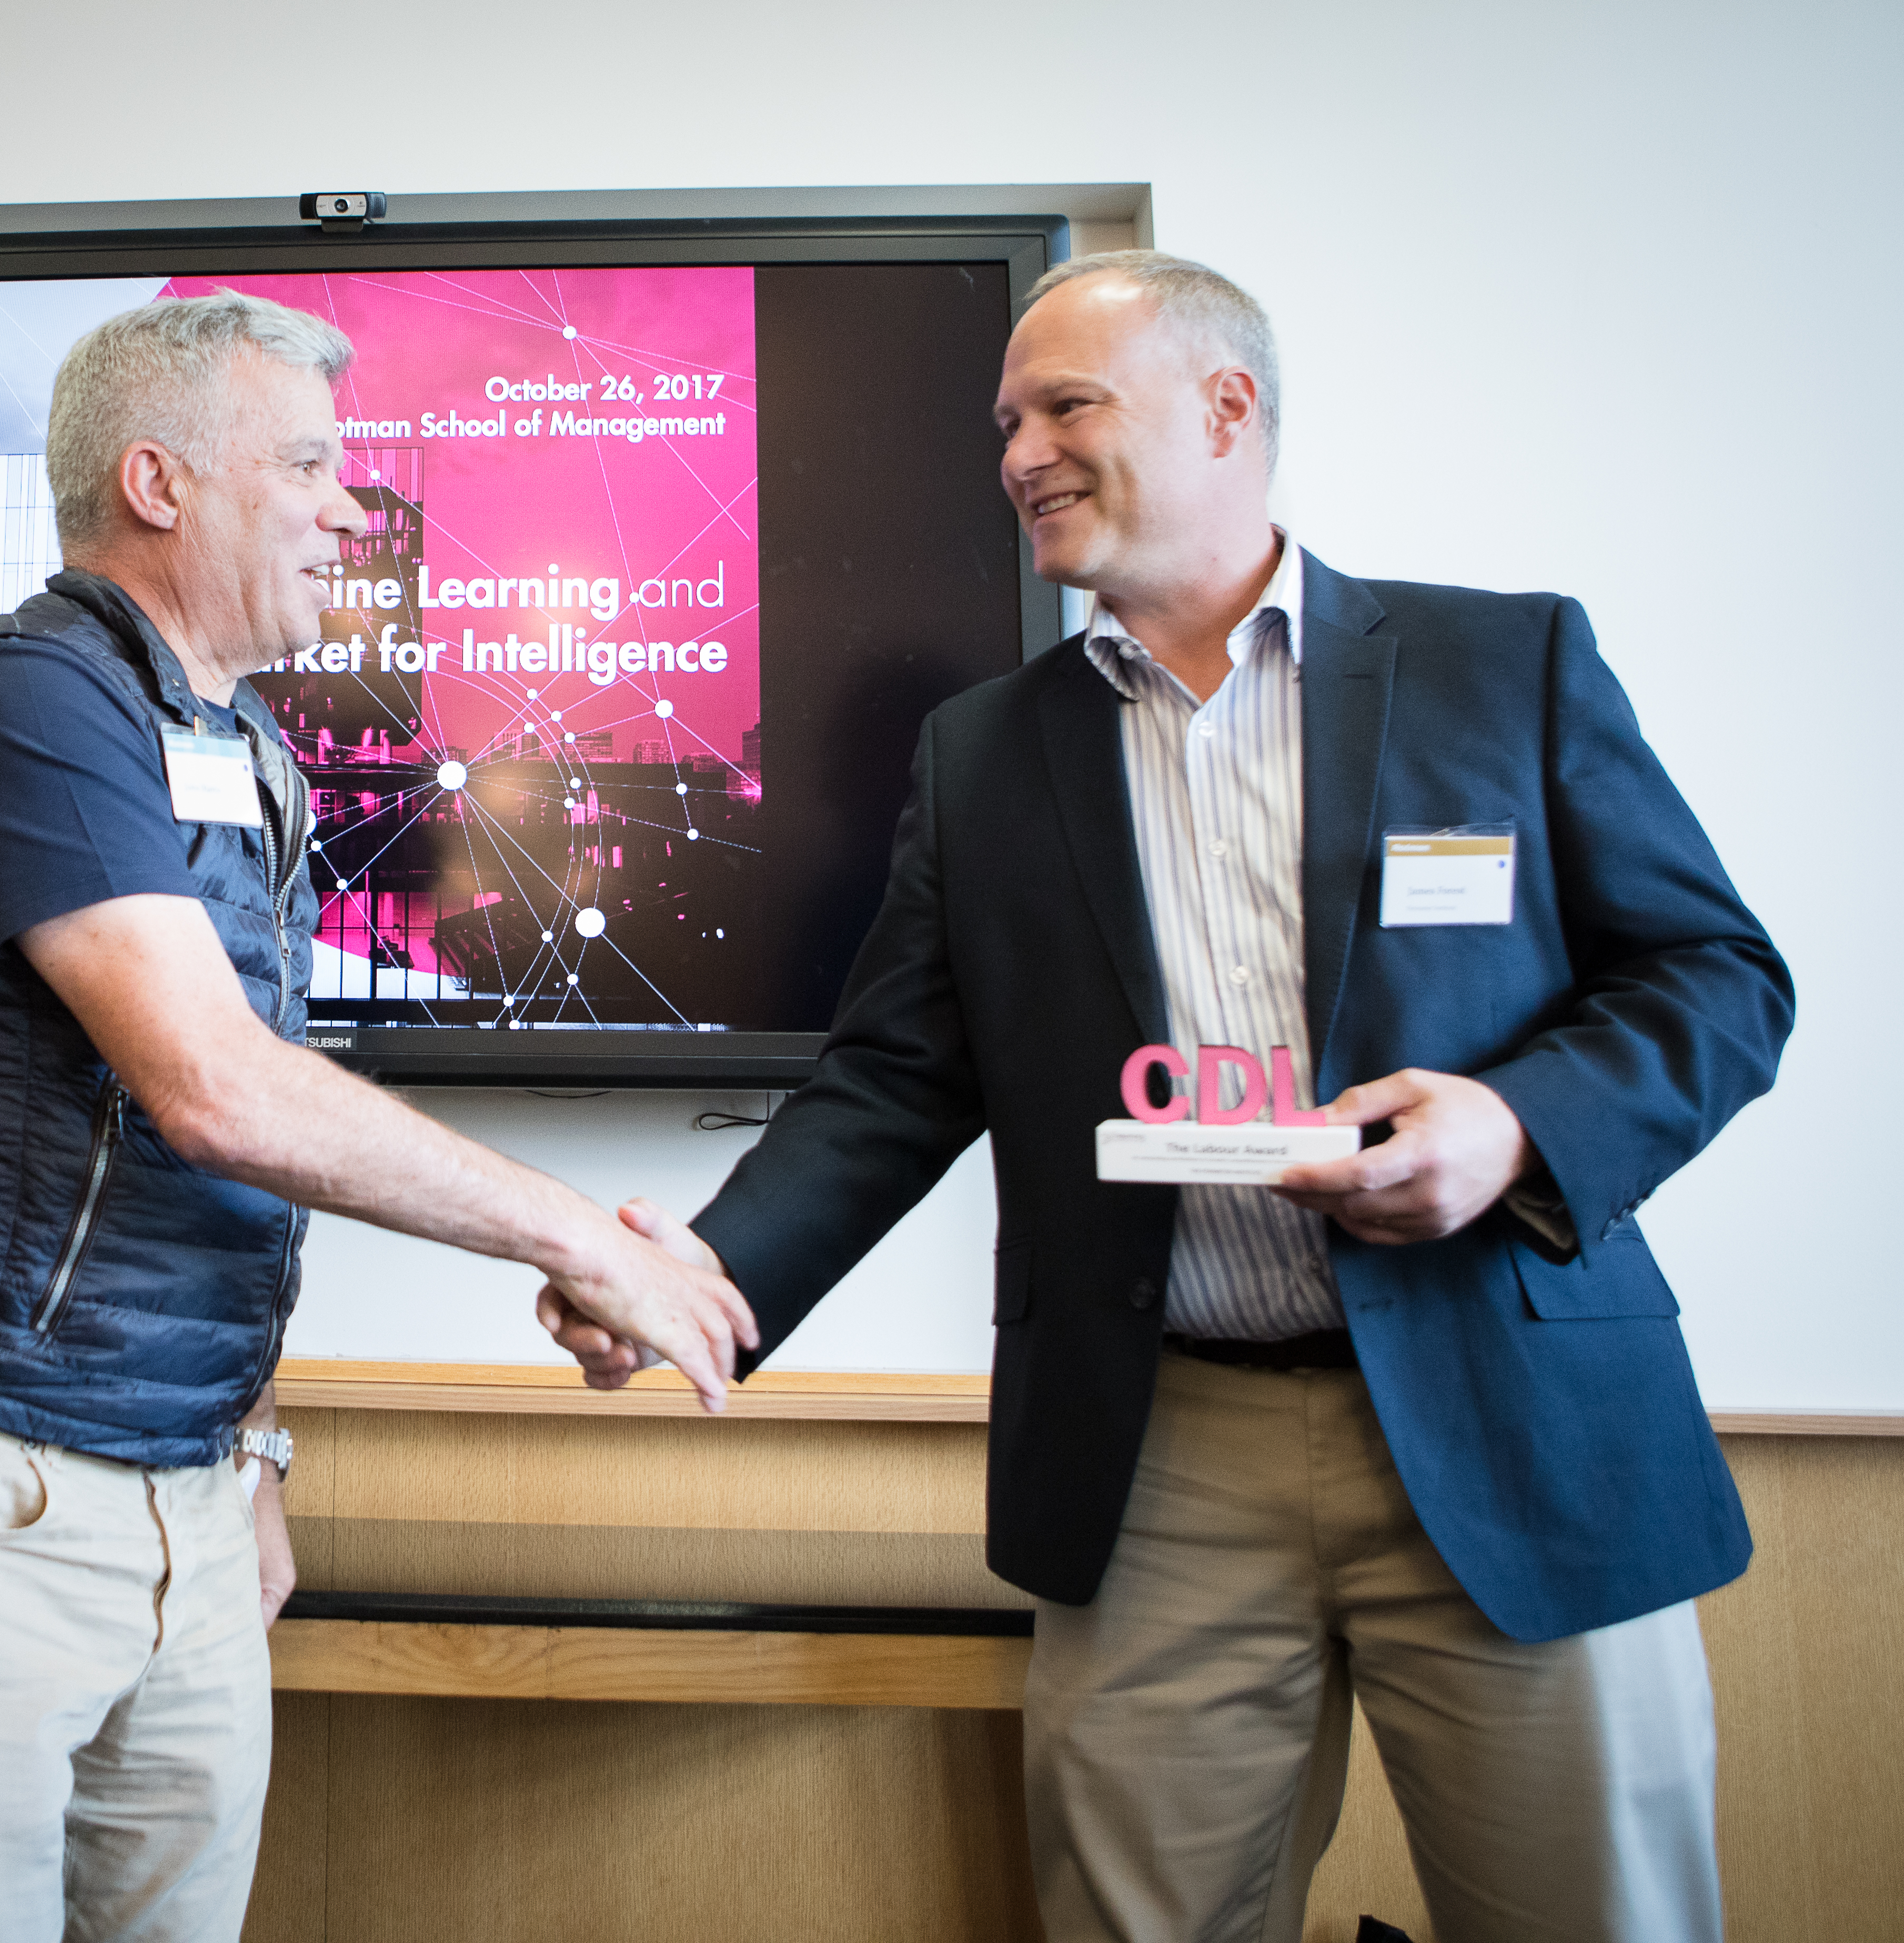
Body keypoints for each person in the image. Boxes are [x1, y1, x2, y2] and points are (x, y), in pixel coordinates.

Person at [545, 251, 1792, 1942]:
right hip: (1160, 1450)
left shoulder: (1506, 667)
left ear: (1228, 409)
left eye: (1065, 405)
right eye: (1003, 422)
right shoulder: (981, 752)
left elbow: (1715, 978)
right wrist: (701, 1282)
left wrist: (1510, 1129)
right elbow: (893, 1085)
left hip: (1508, 1417)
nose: (1017, 454)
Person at [0, 290, 755, 1943]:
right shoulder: (27, 697)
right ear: (158, 484)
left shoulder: (249, 751)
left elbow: (236, 1150)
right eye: (305, 461)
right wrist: (586, 1237)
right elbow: (216, 1091)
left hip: (188, 1497)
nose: (349, 504)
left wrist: (250, 1450)